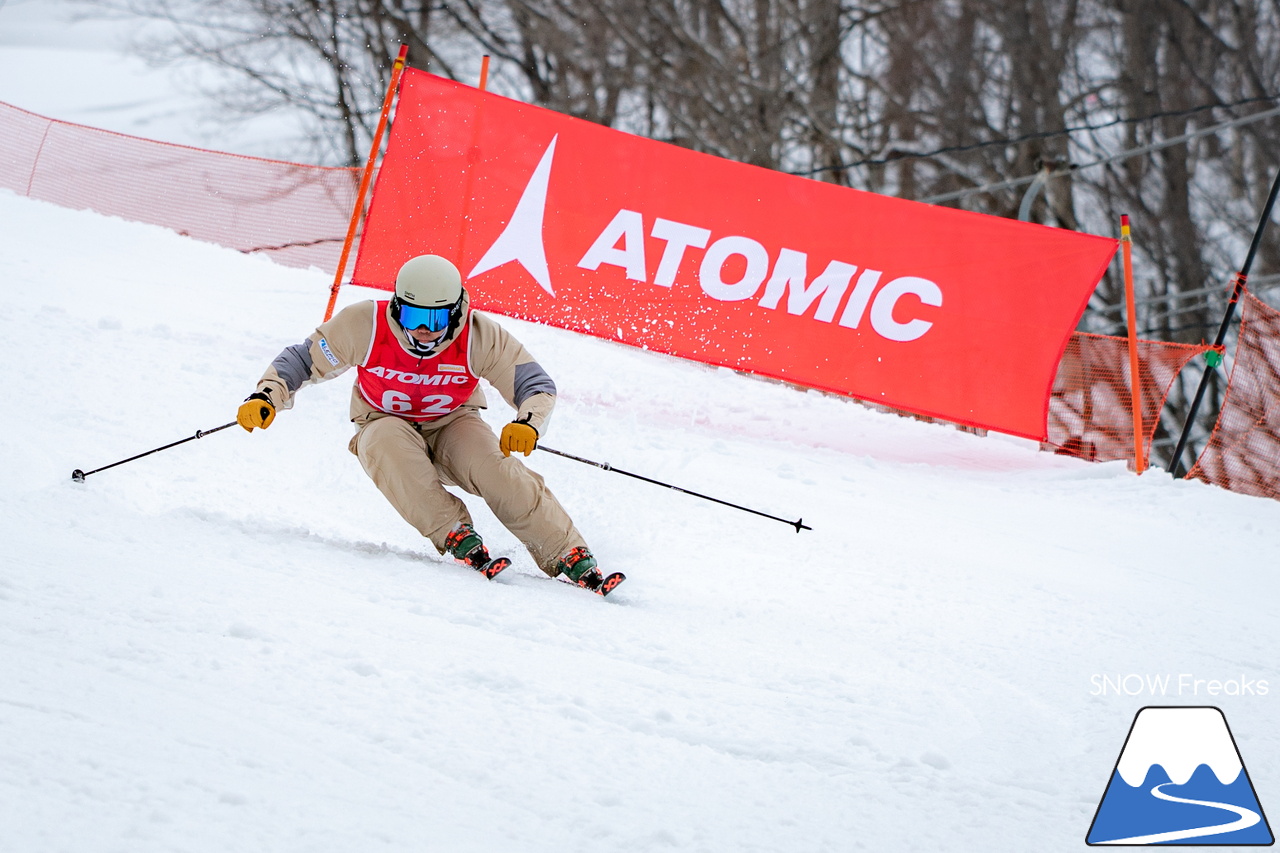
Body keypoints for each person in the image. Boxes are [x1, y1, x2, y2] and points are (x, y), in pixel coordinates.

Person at [236, 254, 611, 591]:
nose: (424, 330)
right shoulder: (365, 324)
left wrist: (528, 422)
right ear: (398, 308)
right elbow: (302, 361)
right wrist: (266, 396)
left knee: (494, 468)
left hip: (452, 422)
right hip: (383, 421)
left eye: (436, 319)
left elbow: (533, 383)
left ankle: (565, 551)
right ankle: (453, 532)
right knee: (383, 443)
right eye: (414, 317)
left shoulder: (477, 336)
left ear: (457, 312)